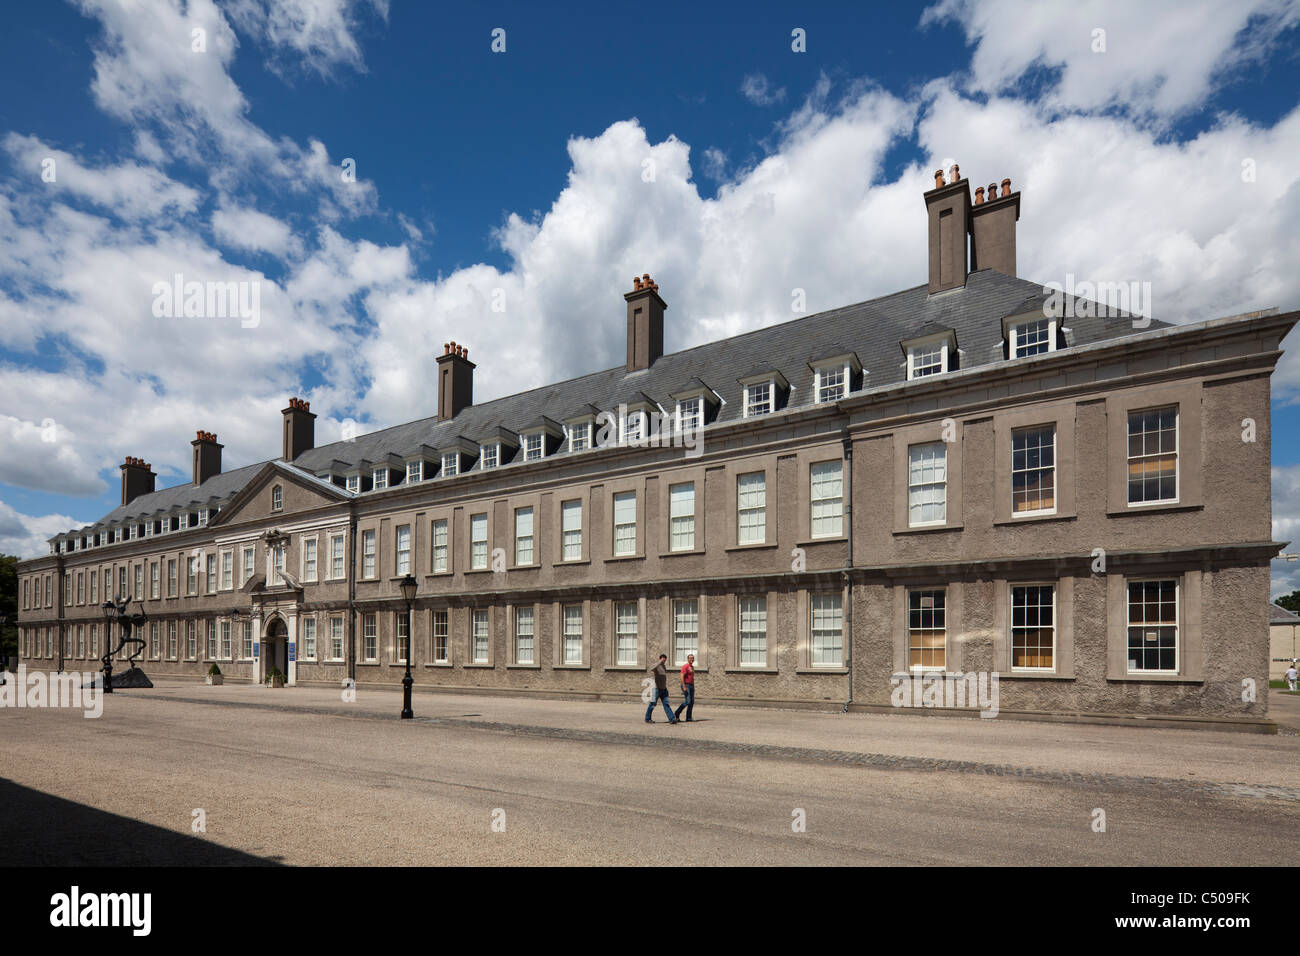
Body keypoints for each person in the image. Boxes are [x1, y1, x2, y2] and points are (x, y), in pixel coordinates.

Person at [644, 653, 678, 723]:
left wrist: (665, 688)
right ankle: (647, 718)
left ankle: (672, 719)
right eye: (663, 659)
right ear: (660, 659)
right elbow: (650, 668)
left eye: (665, 660)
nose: (664, 661)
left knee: (666, 704)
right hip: (656, 689)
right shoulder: (657, 666)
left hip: (663, 689)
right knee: (652, 704)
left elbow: (663, 678)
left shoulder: (664, 667)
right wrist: (659, 662)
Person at [674, 654, 696, 722]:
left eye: (693, 658)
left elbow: (692, 678)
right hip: (686, 685)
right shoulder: (685, 666)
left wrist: (693, 686)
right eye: (690, 658)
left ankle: (688, 717)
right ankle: (677, 713)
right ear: (688, 659)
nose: (691, 660)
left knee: (691, 702)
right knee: (688, 701)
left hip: (691, 686)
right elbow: (682, 676)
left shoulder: (692, 667)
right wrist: (684, 686)